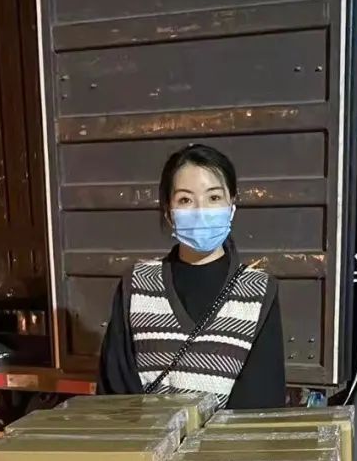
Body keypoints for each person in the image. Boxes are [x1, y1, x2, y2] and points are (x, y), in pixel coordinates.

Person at [98, 143, 286, 408]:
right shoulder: (136, 284)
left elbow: (260, 404)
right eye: (185, 200)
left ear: (232, 205)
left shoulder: (259, 291)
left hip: (225, 438)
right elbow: (114, 394)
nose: (201, 211)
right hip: (148, 435)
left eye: (214, 198)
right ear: (168, 212)